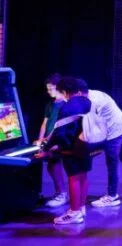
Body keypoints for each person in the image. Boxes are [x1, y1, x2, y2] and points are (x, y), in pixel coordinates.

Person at [37, 77, 93, 225]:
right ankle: (81, 208)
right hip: (88, 144)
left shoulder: (67, 107)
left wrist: (47, 150)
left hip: (72, 147)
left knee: (74, 178)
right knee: (83, 176)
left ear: (65, 91)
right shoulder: (87, 102)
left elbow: (60, 134)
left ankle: (74, 212)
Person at [84, 81, 122, 209]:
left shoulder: (92, 102)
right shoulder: (95, 93)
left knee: (112, 162)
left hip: (114, 131)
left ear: (78, 93)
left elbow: (93, 125)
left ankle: (112, 196)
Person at [36, 74, 69, 208]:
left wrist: (48, 140)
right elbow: (45, 123)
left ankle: (62, 193)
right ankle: (59, 192)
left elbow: (59, 126)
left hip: (57, 140)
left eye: (51, 89)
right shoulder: (50, 104)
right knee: (51, 166)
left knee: (54, 165)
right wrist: (40, 139)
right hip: (48, 140)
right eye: (47, 89)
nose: (49, 91)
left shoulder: (65, 105)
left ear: (59, 88)